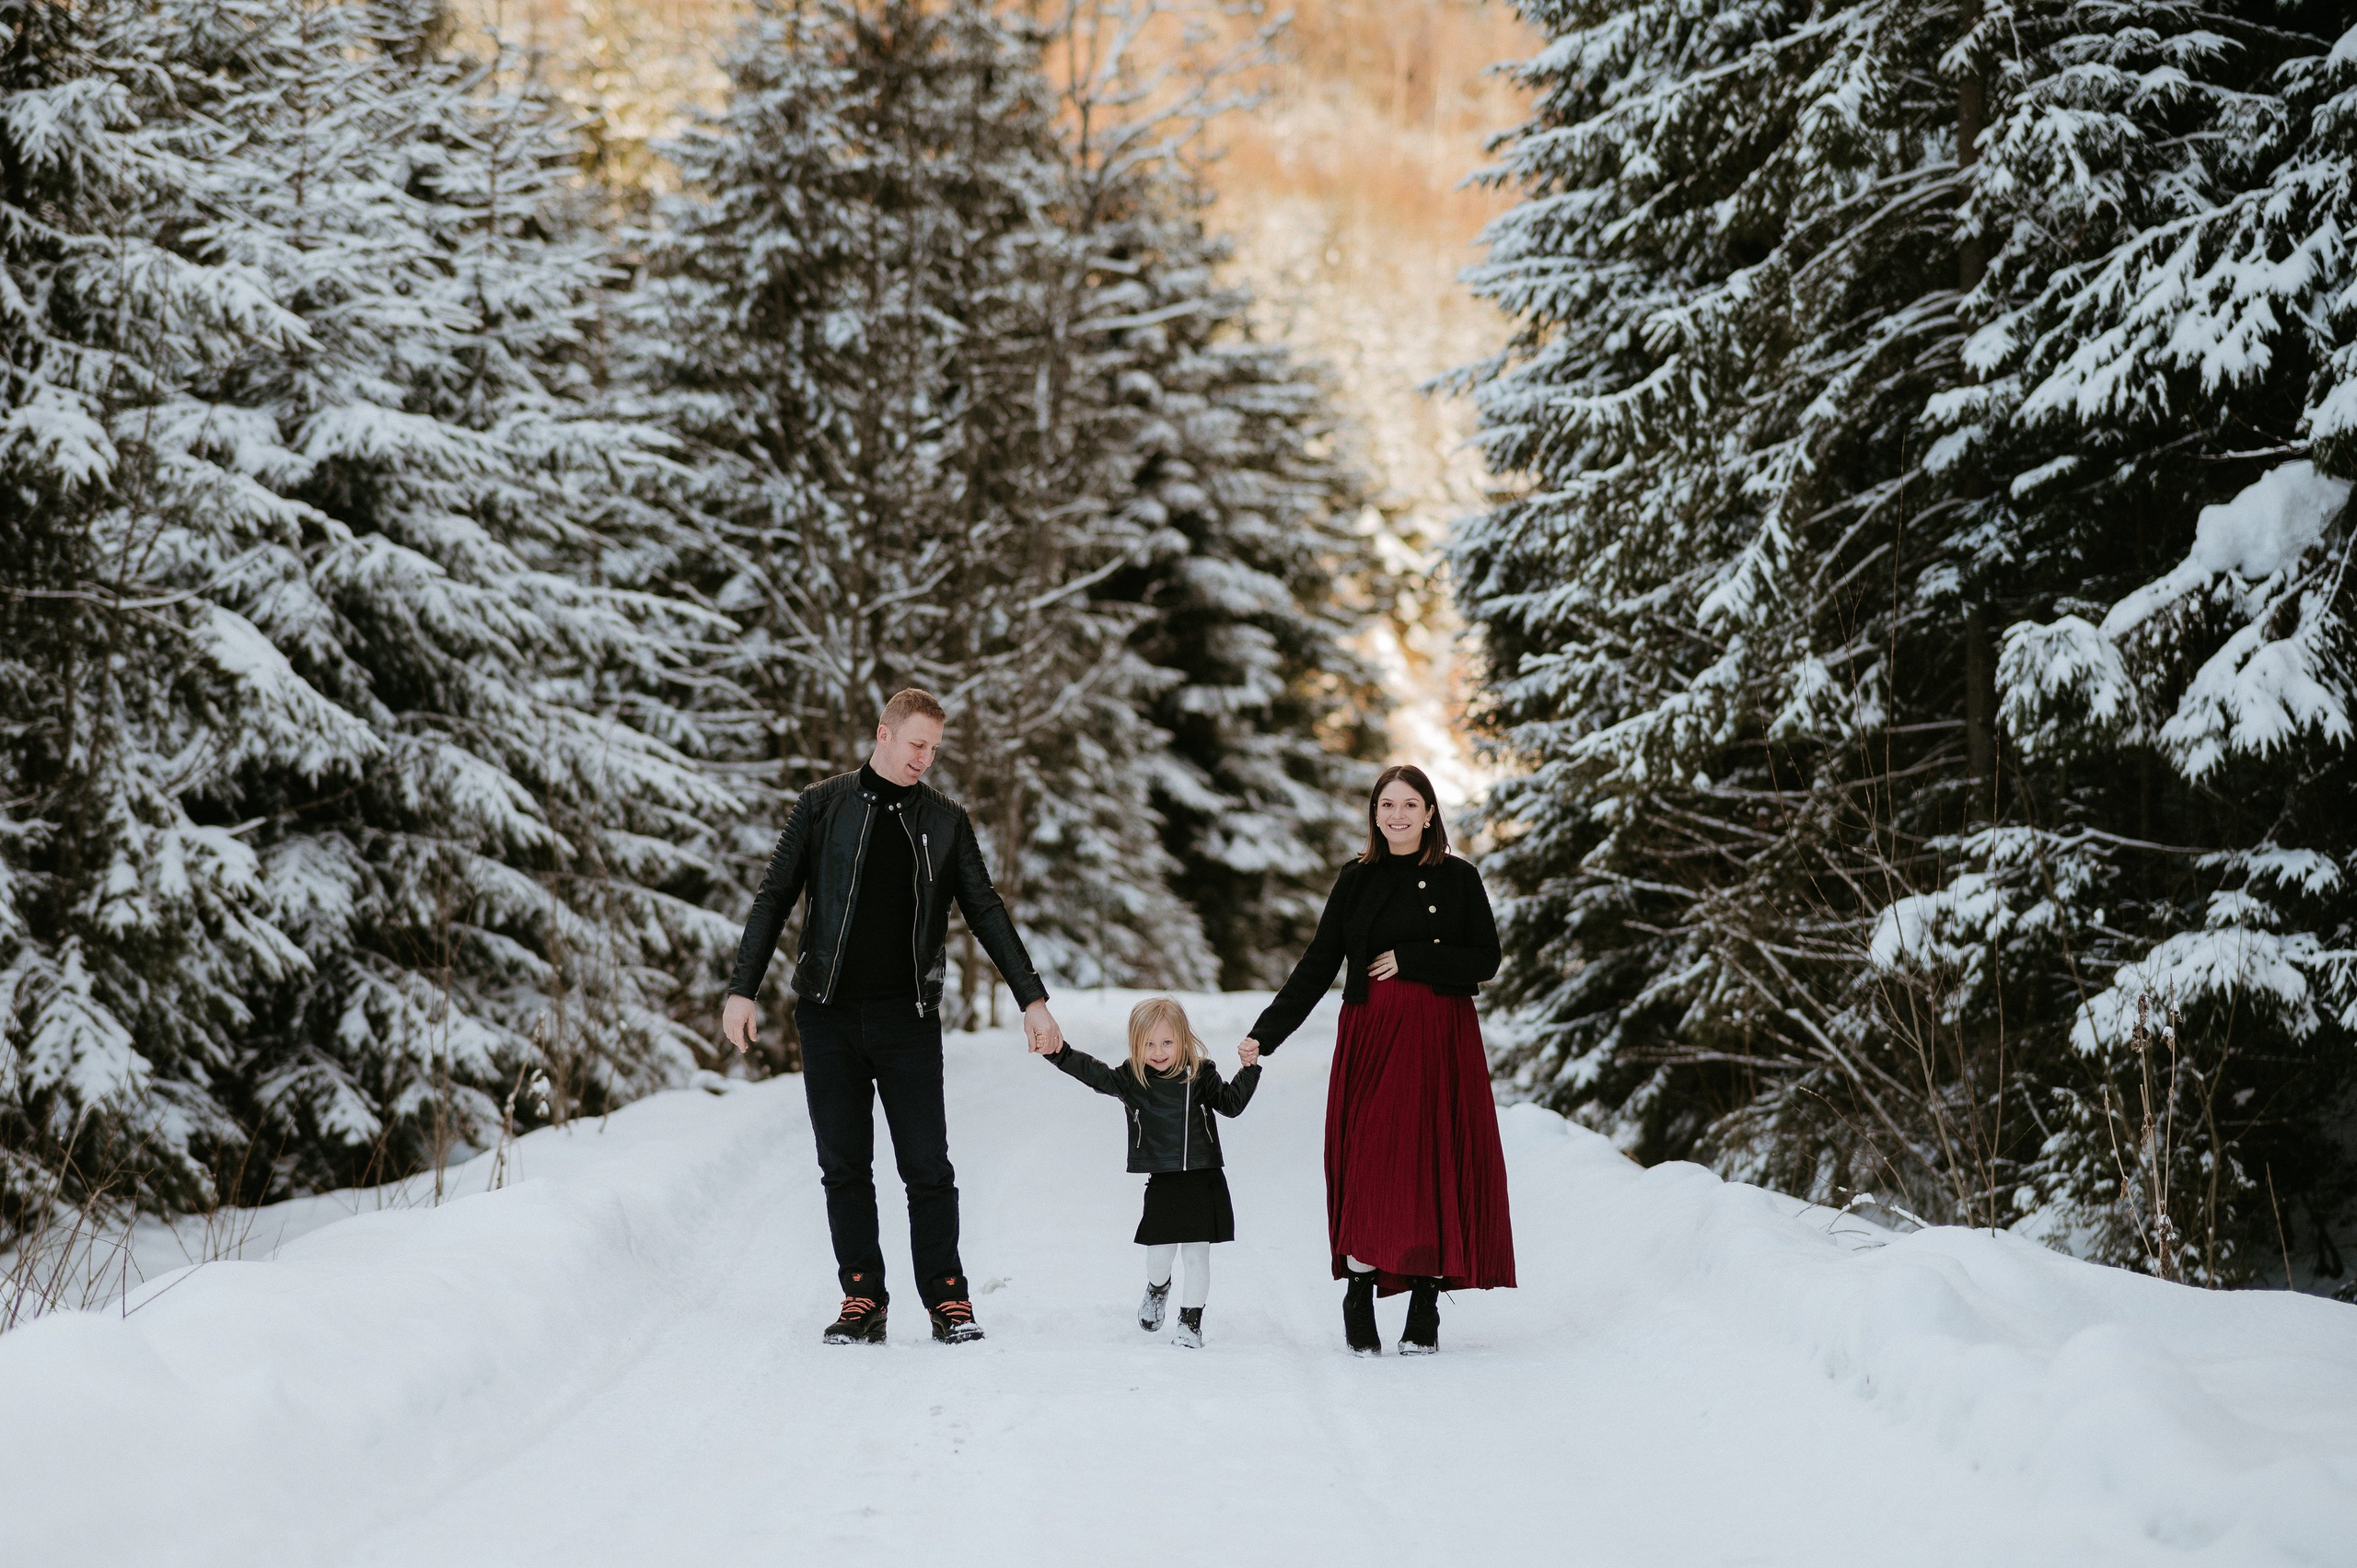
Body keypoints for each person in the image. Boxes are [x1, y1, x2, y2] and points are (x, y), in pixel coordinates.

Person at [723, 689, 1065, 1347]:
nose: (924, 759)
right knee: (843, 1165)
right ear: (884, 734)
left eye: (934, 749)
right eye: (916, 745)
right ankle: (863, 1297)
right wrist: (744, 988)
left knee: (926, 1165)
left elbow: (986, 908)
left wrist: (1033, 997)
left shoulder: (946, 820)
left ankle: (947, 1299)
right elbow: (773, 896)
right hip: (826, 1015)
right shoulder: (821, 806)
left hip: (907, 1020)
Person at [1240, 763, 1514, 1356]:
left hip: (1441, 1038)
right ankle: (1360, 1289)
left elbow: (1485, 960)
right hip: (1372, 1036)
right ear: (1374, 814)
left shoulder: (1459, 878)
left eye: (1409, 805)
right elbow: (1319, 961)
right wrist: (1267, 1033)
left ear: (1430, 812)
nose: (1397, 816)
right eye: (1386, 805)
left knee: (1429, 1158)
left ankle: (1423, 1299)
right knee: (1369, 1158)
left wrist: (1414, 958)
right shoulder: (1356, 879)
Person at [1033, 996, 1260, 1348]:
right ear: (1137, 1045)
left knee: (1197, 1256)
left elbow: (1230, 1104)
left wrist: (1249, 1070)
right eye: (1149, 1044)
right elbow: (1093, 1072)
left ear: (1183, 1039)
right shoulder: (1132, 1079)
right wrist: (1057, 1052)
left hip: (1203, 1176)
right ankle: (1158, 1288)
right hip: (1164, 1182)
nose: (1158, 1051)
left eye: (1167, 1042)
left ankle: (1190, 1323)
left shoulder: (1201, 1073)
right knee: (1159, 1256)